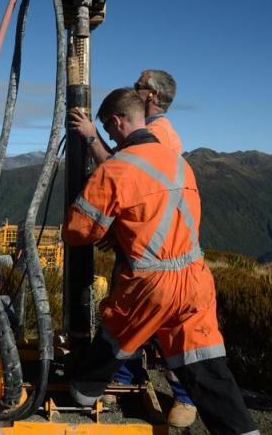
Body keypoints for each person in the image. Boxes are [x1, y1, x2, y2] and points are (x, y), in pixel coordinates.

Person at [63, 88, 258, 435]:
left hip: (149, 283)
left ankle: (81, 393)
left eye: (109, 131)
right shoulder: (178, 161)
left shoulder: (116, 170)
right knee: (205, 364)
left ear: (117, 121)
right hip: (195, 277)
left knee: (115, 337)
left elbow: (78, 232)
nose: (109, 136)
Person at [67, 70, 197, 427]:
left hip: (155, 254)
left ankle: (184, 396)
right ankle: (123, 376)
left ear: (150, 95)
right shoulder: (156, 133)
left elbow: (126, 176)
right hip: (143, 247)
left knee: (163, 322)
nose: (133, 87)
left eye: (138, 85)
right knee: (130, 316)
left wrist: (92, 139)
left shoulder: (158, 137)